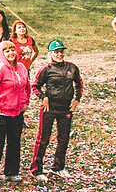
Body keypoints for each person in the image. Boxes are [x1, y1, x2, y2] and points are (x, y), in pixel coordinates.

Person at [30, 39, 82, 180]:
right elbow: (35, 86)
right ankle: (36, 169)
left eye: (61, 52)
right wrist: (43, 97)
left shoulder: (72, 67)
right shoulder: (46, 69)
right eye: (56, 52)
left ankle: (58, 167)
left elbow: (79, 83)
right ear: (51, 54)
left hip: (65, 108)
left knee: (63, 138)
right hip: (49, 107)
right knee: (43, 139)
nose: (59, 54)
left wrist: (77, 99)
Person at [0, 40, 31, 184]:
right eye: (6, 51)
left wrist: (25, 102)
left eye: (12, 50)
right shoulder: (0, 68)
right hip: (0, 114)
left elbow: (27, 86)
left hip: (16, 112)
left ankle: (11, 172)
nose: (10, 53)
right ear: (2, 53)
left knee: (14, 143)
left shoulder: (21, 67)